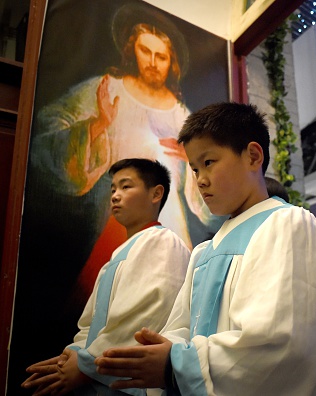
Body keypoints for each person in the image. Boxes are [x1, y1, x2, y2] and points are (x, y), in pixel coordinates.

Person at [94, 103, 316, 395]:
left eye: (209, 162)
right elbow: (181, 326)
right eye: (194, 169)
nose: (200, 180)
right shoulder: (205, 251)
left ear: (253, 156)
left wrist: (176, 366)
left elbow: (282, 342)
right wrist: (163, 351)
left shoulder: (288, 224)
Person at [31, 3, 223, 297]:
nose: (152, 62)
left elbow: (206, 192)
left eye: (161, 56)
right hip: (114, 221)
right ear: (132, 50)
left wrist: (191, 159)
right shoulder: (107, 89)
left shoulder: (180, 114)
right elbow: (48, 131)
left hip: (170, 225)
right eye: (146, 52)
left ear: (170, 61)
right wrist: (97, 125)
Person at [21, 158, 191, 395]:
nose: (115, 195)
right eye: (113, 189)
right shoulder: (119, 254)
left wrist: (86, 365)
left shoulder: (163, 242)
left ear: (156, 194)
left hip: (125, 384)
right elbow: (89, 324)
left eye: (126, 186)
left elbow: (144, 316)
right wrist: (72, 355)